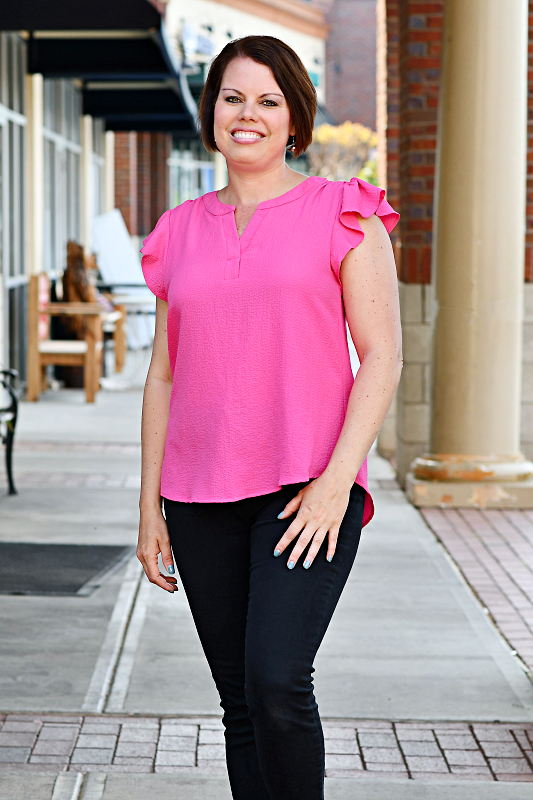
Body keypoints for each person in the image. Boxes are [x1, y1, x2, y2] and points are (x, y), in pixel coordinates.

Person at [137, 34, 401, 800]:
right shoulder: (178, 229)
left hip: (303, 493)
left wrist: (334, 486)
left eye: (267, 100)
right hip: (196, 496)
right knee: (240, 704)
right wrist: (149, 505)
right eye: (231, 96)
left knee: (277, 680)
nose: (246, 114)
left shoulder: (344, 212)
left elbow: (380, 357)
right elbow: (163, 373)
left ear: (295, 119)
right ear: (210, 109)